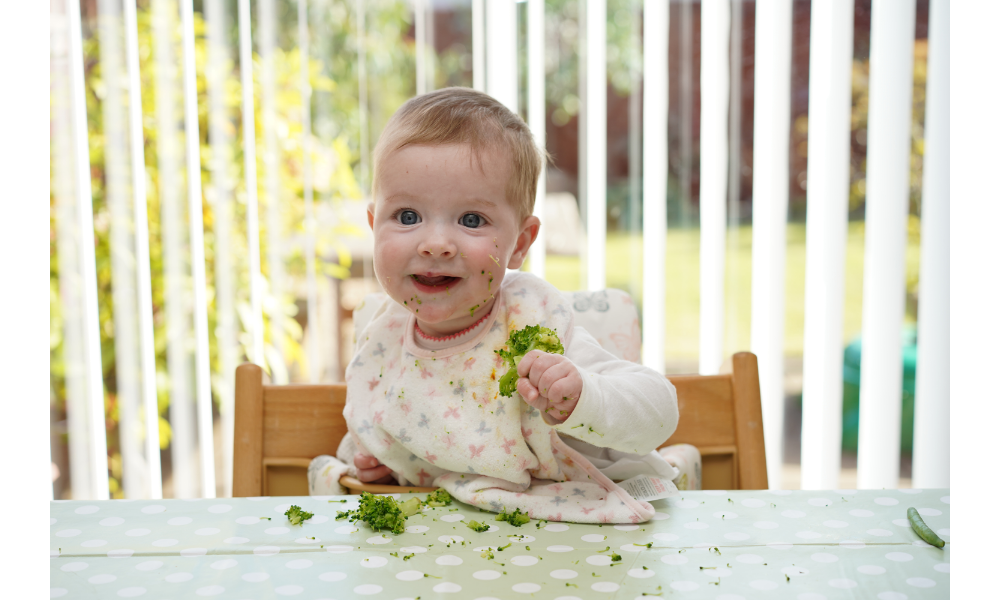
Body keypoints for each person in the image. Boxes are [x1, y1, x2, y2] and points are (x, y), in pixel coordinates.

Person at [336, 87, 681, 522]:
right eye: (407, 216)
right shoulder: (383, 336)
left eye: (471, 220)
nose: (436, 244)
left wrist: (581, 397)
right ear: (374, 225)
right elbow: (392, 428)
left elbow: (660, 411)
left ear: (519, 244)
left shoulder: (534, 328)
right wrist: (386, 463)